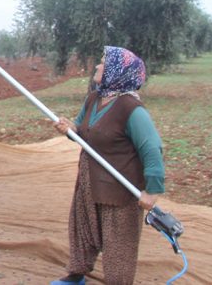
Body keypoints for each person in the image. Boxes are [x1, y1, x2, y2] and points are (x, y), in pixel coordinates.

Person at [51, 46, 165, 285]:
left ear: (117, 70)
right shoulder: (94, 98)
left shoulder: (131, 109)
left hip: (119, 190)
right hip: (89, 182)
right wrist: (70, 129)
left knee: (119, 245)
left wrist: (152, 191)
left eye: (103, 62)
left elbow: (152, 148)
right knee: (82, 231)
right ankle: (75, 276)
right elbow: (82, 130)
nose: (97, 66)